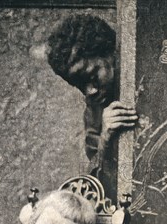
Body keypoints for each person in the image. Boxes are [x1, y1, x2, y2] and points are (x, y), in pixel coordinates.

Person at [47, 14, 137, 181]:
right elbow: (97, 180)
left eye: (92, 76)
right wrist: (105, 139)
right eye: (79, 85)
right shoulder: (94, 109)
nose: (90, 91)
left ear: (111, 54)